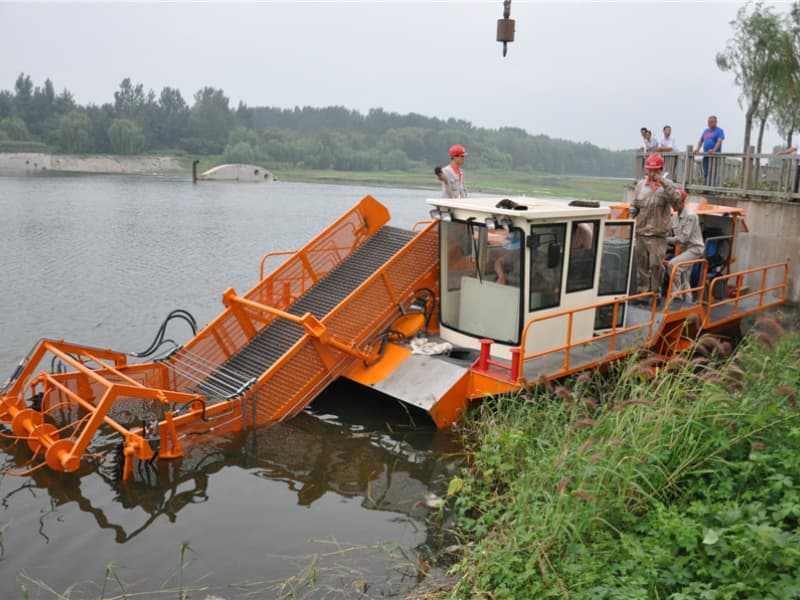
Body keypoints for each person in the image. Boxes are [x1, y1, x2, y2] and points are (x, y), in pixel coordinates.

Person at [630, 153, 682, 298]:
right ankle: (643, 293)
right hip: (640, 232)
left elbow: (677, 200)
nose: (652, 174)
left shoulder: (668, 186)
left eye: (655, 171)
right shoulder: (641, 186)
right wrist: (632, 213)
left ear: (660, 169)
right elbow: (634, 204)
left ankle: (655, 293)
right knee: (641, 265)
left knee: (656, 265)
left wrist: (664, 182)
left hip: (658, 234)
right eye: (650, 170)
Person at [666, 189, 705, 301]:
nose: (672, 205)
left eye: (674, 203)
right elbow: (667, 230)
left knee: (673, 265)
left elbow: (683, 238)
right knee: (684, 276)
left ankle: (676, 296)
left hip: (694, 249)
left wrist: (665, 240)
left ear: (682, 202)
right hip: (685, 250)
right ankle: (689, 302)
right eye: (671, 203)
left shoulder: (691, 216)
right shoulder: (674, 217)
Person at [695, 115, 725, 186]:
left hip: (715, 156)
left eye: (711, 122)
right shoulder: (706, 131)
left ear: (716, 122)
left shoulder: (719, 131)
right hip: (706, 155)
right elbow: (701, 140)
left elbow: (719, 141)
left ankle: (713, 189)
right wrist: (697, 149)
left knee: (714, 172)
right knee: (706, 172)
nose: (710, 123)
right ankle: (706, 188)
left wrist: (714, 150)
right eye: (709, 122)